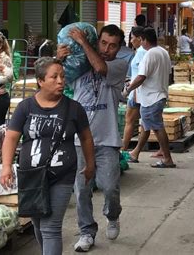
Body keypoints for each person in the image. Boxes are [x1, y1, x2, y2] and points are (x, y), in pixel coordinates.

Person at [0, 57, 95, 255]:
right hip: (31, 176)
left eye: (62, 76)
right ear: (41, 81)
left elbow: (86, 138)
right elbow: (10, 138)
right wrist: (6, 166)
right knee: (37, 223)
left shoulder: (73, 108)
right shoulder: (26, 107)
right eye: (54, 77)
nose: (61, 81)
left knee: (50, 227)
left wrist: (90, 165)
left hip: (63, 175)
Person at [56, 24, 128, 252]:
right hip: (79, 140)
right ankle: (87, 232)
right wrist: (59, 59)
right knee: (82, 191)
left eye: (113, 45)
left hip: (107, 140)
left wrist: (83, 42)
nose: (107, 49)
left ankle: (112, 214)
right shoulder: (79, 65)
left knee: (109, 187)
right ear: (98, 41)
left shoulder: (118, 65)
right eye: (103, 43)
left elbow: (100, 67)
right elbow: (55, 80)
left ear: (119, 48)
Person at [124, 27, 175, 168]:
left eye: (141, 40)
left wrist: (128, 89)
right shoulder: (163, 52)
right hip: (157, 95)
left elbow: (141, 77)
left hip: (152, 97)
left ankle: (167, 159)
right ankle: (135, 153)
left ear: (144, 40)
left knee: (157, 127)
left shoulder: (149, 54)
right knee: (146, 126)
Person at [120, 27, 147, 154]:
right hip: (138, 90)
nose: (131, 41)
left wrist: (131, 89)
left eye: (132, 38)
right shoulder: (141, 51)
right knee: (147, 122)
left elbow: (141, 74)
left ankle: (124, 148)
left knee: (130, 120)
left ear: (140, 38)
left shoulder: (142, 52)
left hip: (136, 92)